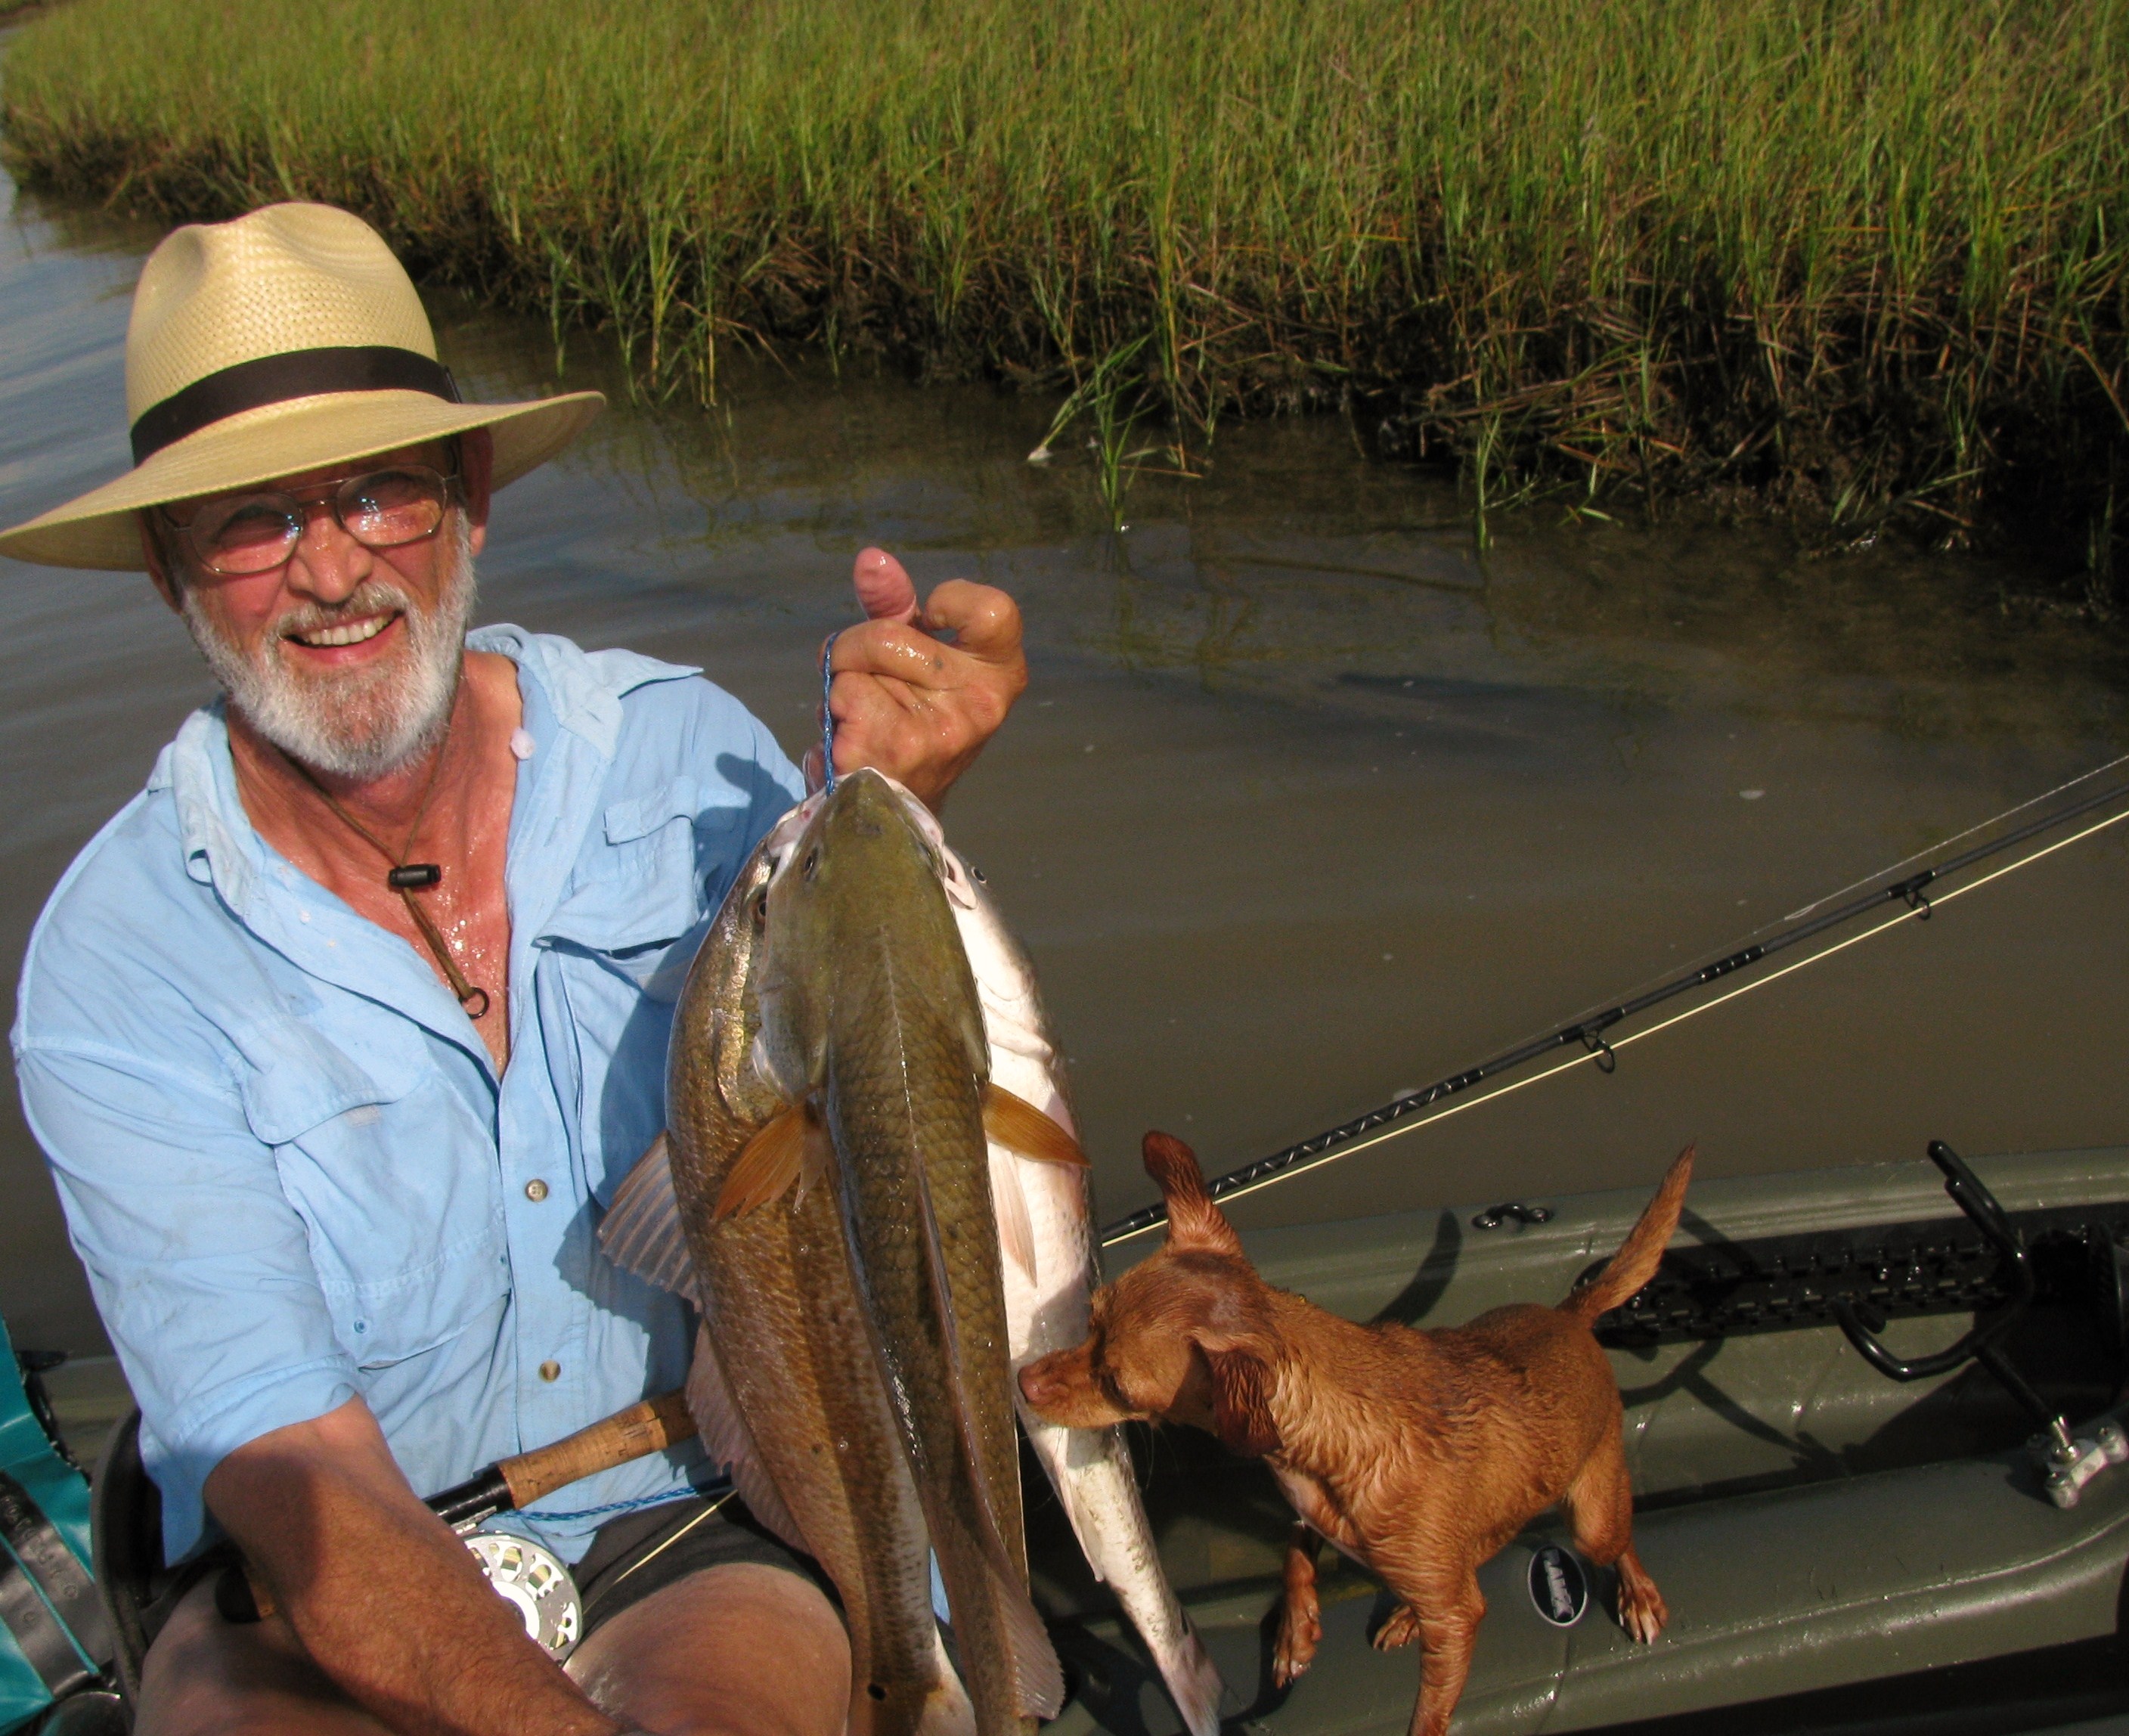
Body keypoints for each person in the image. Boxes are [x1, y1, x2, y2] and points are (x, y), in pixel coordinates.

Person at [0, 203, 1027, 1735]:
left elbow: (874, 1112)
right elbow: (301, 1481)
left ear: (470, 500)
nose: (331, 568)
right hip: (312, 1575)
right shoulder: (116, 964)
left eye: (378, 493)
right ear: (168, 568)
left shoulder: (687, 762)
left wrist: (893, 809)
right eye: (252, 520)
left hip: (690, 1507)